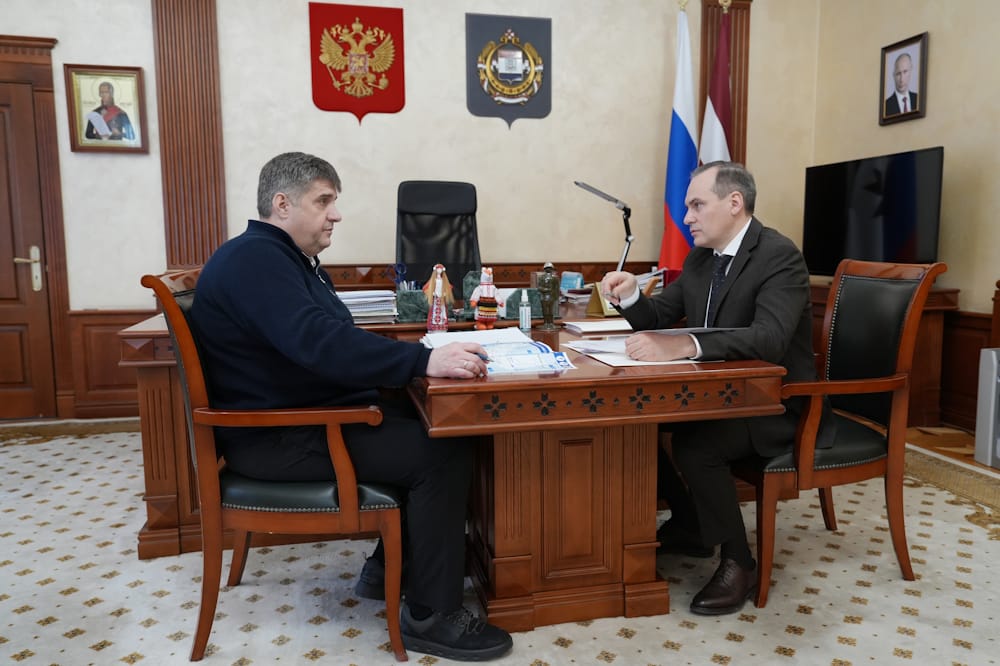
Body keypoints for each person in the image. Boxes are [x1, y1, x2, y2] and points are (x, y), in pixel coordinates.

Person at [189, 152, 513, 661]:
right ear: (282, 204)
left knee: (433, 422)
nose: (335, 214)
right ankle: (431, 616)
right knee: (442, 451)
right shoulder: (258, 261)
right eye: (323, 202)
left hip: (297, 418)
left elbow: (327, 340)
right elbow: (320, 343)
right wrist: (423, 359)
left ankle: (387, 570)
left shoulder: (280, 257)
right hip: (277, 437)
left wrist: (411, 363)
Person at [600, 161, 833, 616]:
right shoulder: (701, 258)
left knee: (697, 445)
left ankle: (739, 561)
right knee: (640, 425)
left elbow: (769, 338)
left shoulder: (779, 256)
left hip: (778, 404)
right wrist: (630, 296)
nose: (687, 217)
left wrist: (686, 345)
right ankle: (690, 524)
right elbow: (659, 316)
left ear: (734, 203)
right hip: (721, 397)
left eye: (696, 205)